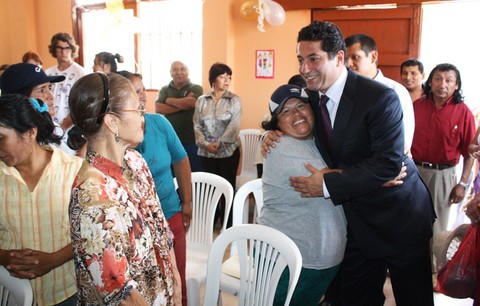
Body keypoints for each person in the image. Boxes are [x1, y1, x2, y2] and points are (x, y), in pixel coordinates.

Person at [265, 21, 435, 306]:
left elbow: (388, 165)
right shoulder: (312, 97)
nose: (305, 69)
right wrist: (269, 133)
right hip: (355, 220)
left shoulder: (380, 97)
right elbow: (291, 118)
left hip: (399, 217)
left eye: (314, 59)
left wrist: (328, 181)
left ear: (339, 58)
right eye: (300, 60)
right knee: (356, 298)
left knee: (413, 299)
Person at [67, 72, 182, 305]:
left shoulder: (135, 161)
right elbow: (121, 294)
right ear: (112, 122)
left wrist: (176, 286)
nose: (143, 116)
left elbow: (161, 229)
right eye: (137, 109)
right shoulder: (93, 196)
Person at [258, 84, 347, 306]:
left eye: (300, 105)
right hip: (288, 261)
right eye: (286, 111)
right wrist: (380, 173)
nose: (296, 114)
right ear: (276, 123)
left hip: (315, 259)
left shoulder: (317, 142)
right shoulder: (281, 147)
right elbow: (339, 181)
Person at [117, 70, 192, 306]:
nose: (140, 97)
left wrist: (186, 202)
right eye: (133, 92)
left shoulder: (159, 123)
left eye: (141, 90)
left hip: (169, 213)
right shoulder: (113, 137)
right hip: (134, 229)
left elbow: (181, 160)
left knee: (177, 280)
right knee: (146, 289)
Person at [0, 94, 82, 305]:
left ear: (30, 133)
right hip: (11, 294)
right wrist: (3, 256)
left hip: (67, 292)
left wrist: (54, 259)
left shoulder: (74, 172)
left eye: (1, 138)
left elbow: (92, 233)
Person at [411, 63, 476, 236]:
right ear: (430, 82)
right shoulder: (417, 106)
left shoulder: (464, 113)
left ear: (457, 85)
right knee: (410, 221)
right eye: (438, 79)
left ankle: (433, 263)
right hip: (414, 171)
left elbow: (470, 154)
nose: (442, 84)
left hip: (443, 176)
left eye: (449, 80)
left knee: (438, 227)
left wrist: (462, 184)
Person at [345, 33, 415, 154]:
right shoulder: (344, 90)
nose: (348, 64)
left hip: (384, 165)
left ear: (373, 57)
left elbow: (403, 144)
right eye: (346, 59)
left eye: (355, 57)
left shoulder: (396, 91)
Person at [193, 62, 241, 228]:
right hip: (206, 153)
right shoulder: (201, 100)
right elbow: (197, 125)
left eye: (229, 77)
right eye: (222, 76)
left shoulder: (234, 100)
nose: (227, 80)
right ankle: (210, 222)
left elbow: (234, 126)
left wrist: (218, 143)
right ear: (213, 79)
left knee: (227, 188)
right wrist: (205, 144)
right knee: (210, 190)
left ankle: (228, 223)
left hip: (228, 152)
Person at [0, 62, 78, 155]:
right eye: (41, 90)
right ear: (20, 99)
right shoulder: (22, 139)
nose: (51, 96)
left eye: (49, 88)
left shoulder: (52, 126)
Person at [156, 61, 204, 172]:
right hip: (169, 141)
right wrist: (183, 104)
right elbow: (159, 108)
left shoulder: (196, 88)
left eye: (182, 69)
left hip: (191, 140)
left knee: (193, 174)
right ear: (170, 73)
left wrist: (168, 100)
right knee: (172, 173)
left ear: (188, 72)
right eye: (175, 69)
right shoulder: (165, 89)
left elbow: (192, 103)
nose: (179, 72)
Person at [45, 32, 86, 132]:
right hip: (48, 127)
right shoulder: (48, 73)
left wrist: (62, 128)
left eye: (67, 48)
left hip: (70, 130)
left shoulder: (80, 73)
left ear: (72, 49)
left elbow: (80, 105)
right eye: (59, 48)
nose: (63, 52)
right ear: (54, 49)